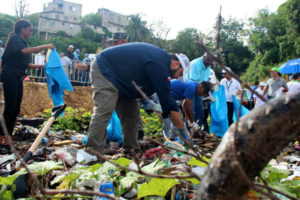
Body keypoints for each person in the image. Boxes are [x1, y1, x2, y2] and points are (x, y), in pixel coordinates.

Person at [85, 42, 190, 154]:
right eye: (180, 73)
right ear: (176, 64)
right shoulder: (159, 63)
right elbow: (168, 102)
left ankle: (130, 150)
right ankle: (93, 152)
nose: (177, 77)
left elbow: (144, 81)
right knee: (104, 110)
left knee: (131, 114)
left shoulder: (160, 61)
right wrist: (183, 132)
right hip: (105, 69)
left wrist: (145, 100)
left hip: (123, 81)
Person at [0, 19, 54, 150]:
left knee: (16, 108)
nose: (31, 32)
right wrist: (45, 46)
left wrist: (43, 66)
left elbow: (26, 65)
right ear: (22, 29)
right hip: (10, 74)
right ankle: (2, 137)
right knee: (10, 107)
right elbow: (24, 51)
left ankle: (8, 138)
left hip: (18, 76)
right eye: (29, 29)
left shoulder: (23, 43)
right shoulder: (15, 39)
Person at [186, 53, 213, 132]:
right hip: (191, 88)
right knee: (191, 110)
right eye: (208, 61)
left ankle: (198, 131)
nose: (209, 63)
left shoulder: (208, 65)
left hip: (200, 89)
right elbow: (193, 81)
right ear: (204, 57)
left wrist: (207, 94)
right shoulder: (195, 64)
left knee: (200, 111)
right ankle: (189, 131)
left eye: (211, 62)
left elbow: (206, 81)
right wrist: (203, 92)